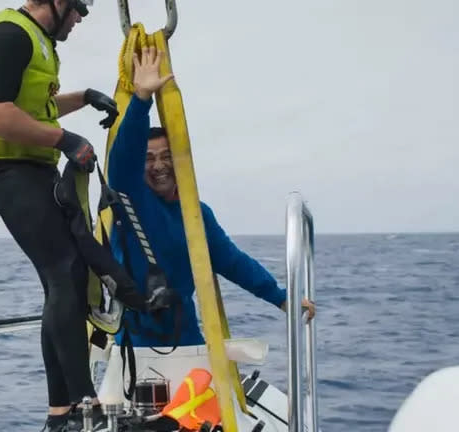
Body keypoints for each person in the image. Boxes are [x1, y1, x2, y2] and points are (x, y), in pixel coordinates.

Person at [0, 1, 141, 431]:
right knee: (64, 271)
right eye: (80, 6)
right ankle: (83, 407)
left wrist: (82, 99)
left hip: (31, 172)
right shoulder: (8, 35)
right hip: (4, 173)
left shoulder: (36, 40)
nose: (83, 16)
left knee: (67, 277)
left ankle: (62, 411)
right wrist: (65, 140)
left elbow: (32, 110)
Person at [107, 46, 316, 349]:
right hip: (135, 345)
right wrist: (141, 100)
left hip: (186, 336)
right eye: (149, 159)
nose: (159, 165)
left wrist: (282, 298)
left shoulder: (196, 214)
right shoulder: (132, 202)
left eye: (167, 156)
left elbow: (231, 261)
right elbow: (122, 163)